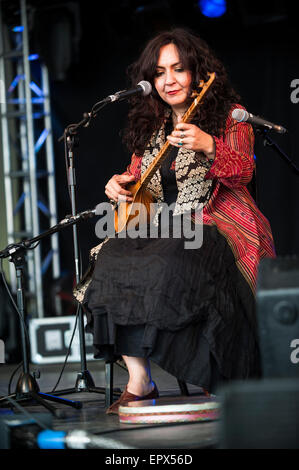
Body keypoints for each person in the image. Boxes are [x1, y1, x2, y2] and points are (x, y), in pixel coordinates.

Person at [74, 28, 275, 414]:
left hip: (215, 223)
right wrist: (118, 185)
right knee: (111, 256)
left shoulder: (229, 119)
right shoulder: (151, 129)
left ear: (197, 73)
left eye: (178, 70)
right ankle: (140, 380)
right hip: (161, 229)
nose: (168, 80)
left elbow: (244, 171)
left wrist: (209, 145)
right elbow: (139, 180)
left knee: (173, 259)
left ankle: (218, 376)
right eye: (160, 73)